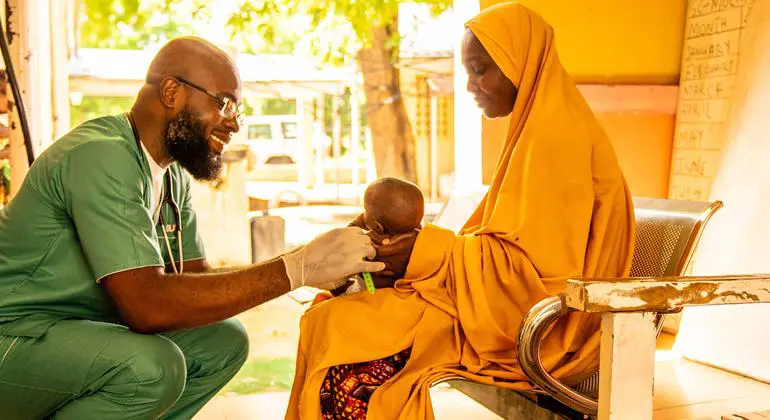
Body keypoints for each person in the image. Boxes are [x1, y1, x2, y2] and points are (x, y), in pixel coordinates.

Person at [0, 37, 384, 420]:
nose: (233, 123)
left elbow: (195, 288)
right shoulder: (100, 154)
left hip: (67, 334)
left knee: (221, 342)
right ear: (171, 91)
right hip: (15, 336)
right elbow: (148, 307)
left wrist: (313, 260)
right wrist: (298, 268)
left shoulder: (170, 177)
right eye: (225, 103)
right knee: (150, 368)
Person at [286, 3, 635, 419]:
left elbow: (539, 280)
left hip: (548, 331)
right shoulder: (539, 130)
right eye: (468, 70)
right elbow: (506, 253)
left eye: (480, 69)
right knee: (331, 313)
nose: (470, 84)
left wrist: (427, 253)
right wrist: (420, 253)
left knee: (346, 334)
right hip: (500, 310)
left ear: (520, 64)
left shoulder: (557, 139)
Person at [330, 177, 425, 296]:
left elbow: (344, 238)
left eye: (365, 210)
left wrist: (356, 223)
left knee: (335, 282)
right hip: (403, 293)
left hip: (369, 292)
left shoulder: (372, 243)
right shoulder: (419, 240)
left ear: (378, 226)